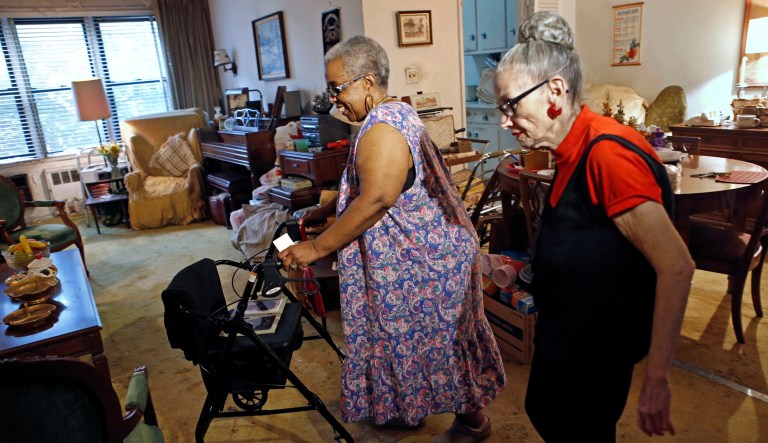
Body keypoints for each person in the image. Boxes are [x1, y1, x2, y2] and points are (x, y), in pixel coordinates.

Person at [278, 35, 506, 441]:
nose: (334, 101)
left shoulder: (382, 130)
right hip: (421, 256)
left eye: (337, 88)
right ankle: (411, 407)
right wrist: (324, 210)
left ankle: (474, 423)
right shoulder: (392, 114)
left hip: (427, 260)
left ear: (366, 82)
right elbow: (371, 184)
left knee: (439, 347)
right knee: (411, 342)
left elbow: (379, 198)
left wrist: (315, 247)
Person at [493, 12, 694, 442]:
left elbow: (676, 266)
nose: (504, 121)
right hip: (569, 336)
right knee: (546, 412)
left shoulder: (607, 154)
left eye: (510, 105)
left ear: (556, 91)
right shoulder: (569, 151)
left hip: (596, 349)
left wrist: (656, 378)